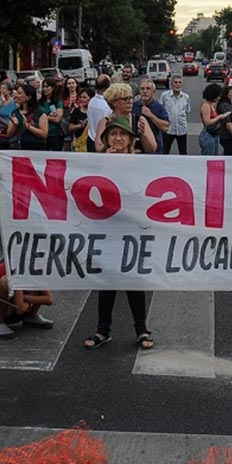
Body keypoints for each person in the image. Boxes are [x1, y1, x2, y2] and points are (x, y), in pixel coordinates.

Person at [83, 116, 153, 350]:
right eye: (113, 134)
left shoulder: (140, 161)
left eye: (122, 134)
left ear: (131, 139)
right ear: (107, 139)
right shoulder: (101, 163)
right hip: (108, 228)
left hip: (132, 228)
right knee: (108, 281)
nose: (118, 138)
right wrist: (107, 165)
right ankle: (103, 329)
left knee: (133, 280)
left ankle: (141, 329)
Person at [0, 260, 54, 338]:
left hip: (23, 306)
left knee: (37, 286)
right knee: (4, 283)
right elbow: (20, 309)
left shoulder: (35, 269)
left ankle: (31, 317)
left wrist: (26, 298)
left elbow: (49, 299)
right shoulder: (13, 269)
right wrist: (32, 300)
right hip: (5, 310)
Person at [95, 85, 156, 153]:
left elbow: (152, 150)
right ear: (113, 102)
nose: (129, 102)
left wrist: (143, 135)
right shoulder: (105, 121)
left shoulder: (139, 120)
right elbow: (98, 148)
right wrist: (114, 144)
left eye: (131, 98)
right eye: (125, 99)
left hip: (136, 161)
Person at [134, 79, 170, 154]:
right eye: (142, 89)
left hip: (155, 150)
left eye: (148, 88)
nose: (145, 91)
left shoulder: (159, 108)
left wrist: (151, 116)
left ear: (153, 92)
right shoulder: (133, 106)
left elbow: (166, 128)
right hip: (136, 150)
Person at [10, 84, 48, 150]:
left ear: (28, 97)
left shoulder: (40, 113)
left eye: (19, 93)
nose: (16, 96)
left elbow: (44, 134)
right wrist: (15, 125)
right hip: (18, 146)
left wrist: (28, 126)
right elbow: (9, 134)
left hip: (35, 147)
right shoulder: (15, 112)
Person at [161, 75, 190, 154]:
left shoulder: (186, 97)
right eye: (176, 82)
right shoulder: (165, 96)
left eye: (180, 83)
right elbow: (161, 110)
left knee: (183, 151)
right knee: (165, 151)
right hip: (168, 129)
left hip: (181, 129)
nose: (178, 84)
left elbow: (186, 111)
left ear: (182, 84)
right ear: (171, 84)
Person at [199, 84, 228, 156]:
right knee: (208, 157)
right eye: (218, 96)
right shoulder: (206, 106)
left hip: (214, 134)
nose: (219, 98)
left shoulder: (212, 105)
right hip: (208, 135)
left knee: (214, 156)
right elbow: (207, 122)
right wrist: (219, 117)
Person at [216, 82, 232, 156]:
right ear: (226, 94)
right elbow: (227, 122)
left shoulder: (230, 104)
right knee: (230, 153)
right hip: (226, 135)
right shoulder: (225, 105)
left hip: (226, 135)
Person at [68, 87, 91, 152]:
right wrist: (80, 126)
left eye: (84, 97)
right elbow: (70, 128)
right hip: (78, 144)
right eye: (81, 97)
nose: (82, 99)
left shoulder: (94, 111)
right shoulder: (76, 111)